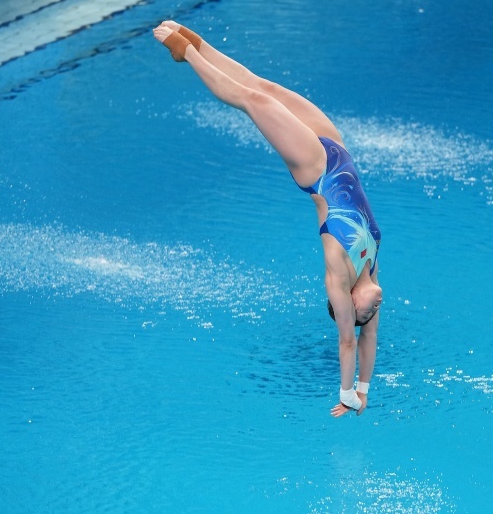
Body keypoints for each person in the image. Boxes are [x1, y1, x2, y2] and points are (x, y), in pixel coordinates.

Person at [153, 21, 382, 418]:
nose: (375, 310)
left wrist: (347, 396)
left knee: (253, 101)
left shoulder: (339, 278)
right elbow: (368, 341)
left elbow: (349, 342)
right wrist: (365, 388)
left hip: (318, 172)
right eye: (372, 315)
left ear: (350, 307)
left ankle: (184, 52)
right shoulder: (371, 270)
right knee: (266, 87)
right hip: (338, 151)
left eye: (367, 313)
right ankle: (200, 44)